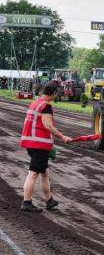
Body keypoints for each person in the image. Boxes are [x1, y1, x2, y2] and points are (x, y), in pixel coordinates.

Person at [19, 81, 72, 212]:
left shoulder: (35, 103)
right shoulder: (46, 106)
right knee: (33, 174)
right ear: (53, 93)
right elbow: (48, 125)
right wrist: (63, 137)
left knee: (44, 172)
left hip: (32, 143)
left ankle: (49, 201)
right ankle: (26, 202)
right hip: (39, 145)